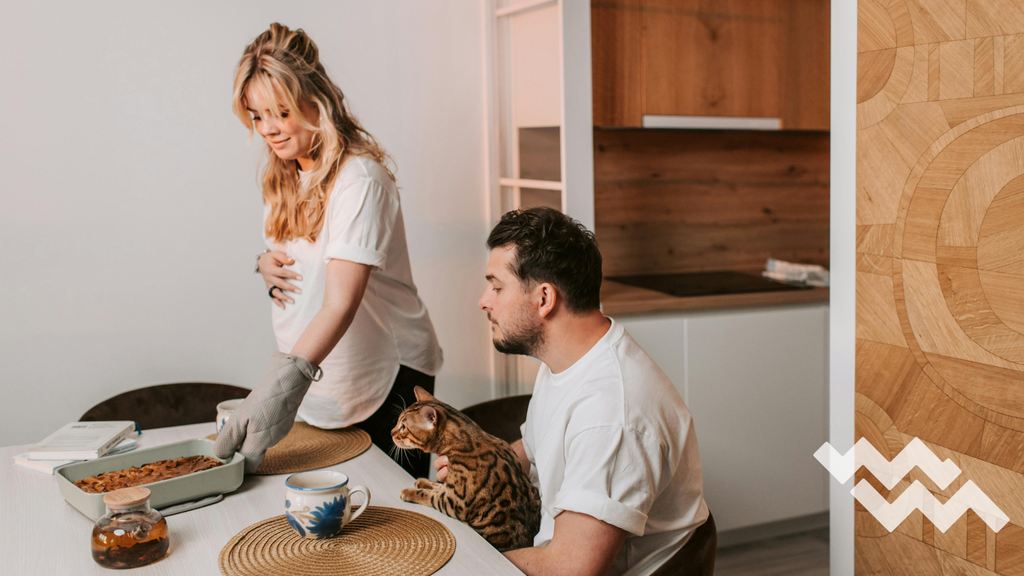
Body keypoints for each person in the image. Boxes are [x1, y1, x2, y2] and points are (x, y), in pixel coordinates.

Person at [214, 23, 443, 478]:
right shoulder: (283, 174)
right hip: (320, 381)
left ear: (314, 100)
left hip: (383, 376)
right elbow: (308, 262)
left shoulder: (361, 180)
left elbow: (340, 301)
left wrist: (275, 391)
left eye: (280, 111)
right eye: (257, 116)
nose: (269, 130)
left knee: (395, 524)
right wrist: (262, 264)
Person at [435, 207, 709, 576]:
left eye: (497, 287)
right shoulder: (568, 360)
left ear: (544, 299)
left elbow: (568, 570)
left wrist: (452, 559)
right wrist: (480, 470)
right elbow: (531, 452)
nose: (485, 301)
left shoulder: (612, 414)